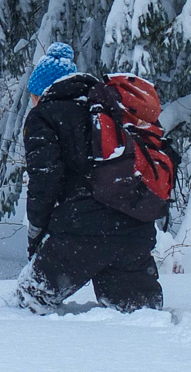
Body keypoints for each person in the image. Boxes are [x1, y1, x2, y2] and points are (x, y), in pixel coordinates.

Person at [13, 43, 163, 314]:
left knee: (29, 305)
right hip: (134, 231)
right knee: (140, 317)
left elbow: (45, 181)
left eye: (33, 96)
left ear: (42, 92)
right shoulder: (110, 109)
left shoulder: (44, 116)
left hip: (80, 234)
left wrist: (36, 233)